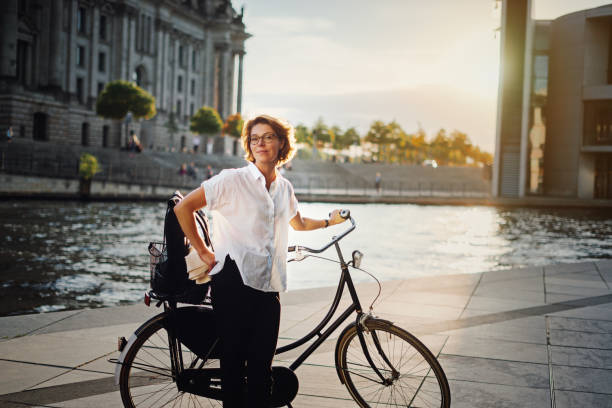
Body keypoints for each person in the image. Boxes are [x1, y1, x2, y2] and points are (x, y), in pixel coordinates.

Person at [174, 114, 346, 408]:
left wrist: (329, 222)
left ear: (281, 143)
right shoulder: (233, 180)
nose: (261, 143)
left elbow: (299, 222)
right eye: (254, 138)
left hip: (269, 284)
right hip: (234, 280)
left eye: (268, 137)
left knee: (261, 368)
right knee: (233, 365)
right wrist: (204, 252)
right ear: (249, 145)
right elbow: (184, 208)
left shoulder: (284, 188)